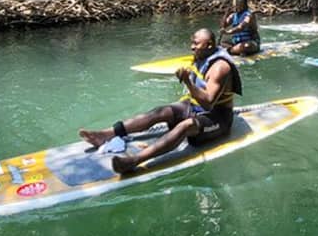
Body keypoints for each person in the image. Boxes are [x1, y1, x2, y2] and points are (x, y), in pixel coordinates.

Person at [79, 28, 242, 174]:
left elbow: (208, 103)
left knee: (187, 126)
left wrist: (188, 82)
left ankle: (134, 161)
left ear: (209, 45)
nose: (192, 47)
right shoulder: (201, 55)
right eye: (192, 43)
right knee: (161, 111)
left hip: (218, 117)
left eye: (196, 44)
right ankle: (106, 134)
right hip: (194, 106)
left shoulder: (220, 68)